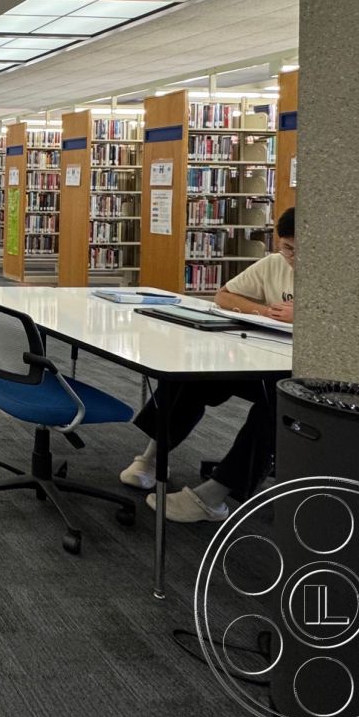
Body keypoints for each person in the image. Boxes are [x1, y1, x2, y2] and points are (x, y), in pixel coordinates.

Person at [120, 207, 295, 523]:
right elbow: (224, 296)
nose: (292, 257)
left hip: (303, 377)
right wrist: (263, 311)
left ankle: (214, 496)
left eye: (299, 250)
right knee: (196, 374)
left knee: (278, 406)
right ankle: (152, 458)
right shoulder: (275, 264)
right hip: (266, 358)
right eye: (287, 248)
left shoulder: (335, 278)